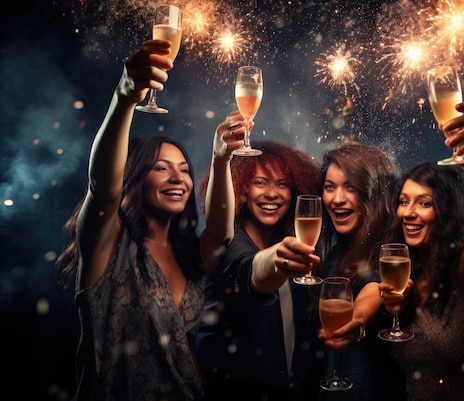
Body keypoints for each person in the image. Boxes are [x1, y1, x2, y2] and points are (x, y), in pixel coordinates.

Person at [55, 39, 246, 401]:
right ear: (135, 179)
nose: (179, 179)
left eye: (185, 170)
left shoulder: (188, 253)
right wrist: (124, 97)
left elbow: (221, 233)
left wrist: (221, 160)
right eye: (161, 168)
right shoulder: (110, 245)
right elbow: (103, 188)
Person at [378, 101, 464, 401]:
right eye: (404, 201)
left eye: (424, 203)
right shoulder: (403, 273)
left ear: (446, 210)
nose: (408, 213)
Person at [195, 140, 325, 401]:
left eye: (282, 184)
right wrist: (277, 260)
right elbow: (252, 270)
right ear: (240, 188)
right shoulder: (228, 243)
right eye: (261, 182)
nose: (273, 194)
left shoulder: (295, 240)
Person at [311, 141, 406, 400]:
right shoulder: (335, 251)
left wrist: (358, 321)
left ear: (374, 192)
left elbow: (376, 286)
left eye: (350, 187)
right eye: (330, 187)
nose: (337, 198)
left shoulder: (389, 249)